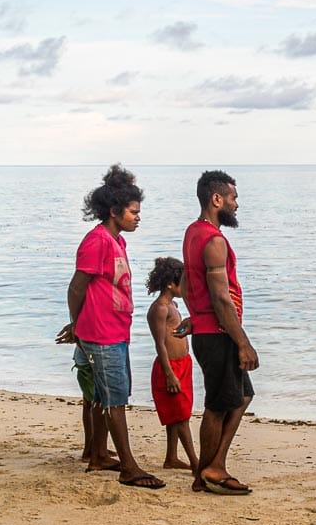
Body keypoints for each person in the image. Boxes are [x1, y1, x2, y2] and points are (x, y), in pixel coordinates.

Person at [63, 164, 164, 488]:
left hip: (115, 331)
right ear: (114, 211)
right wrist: (76, 325)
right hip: (101, 334)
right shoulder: (97, 241)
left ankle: (98, 454)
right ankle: (129, 468)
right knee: (115, 399)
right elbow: (77, 286)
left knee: (106, 396)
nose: (138, 217)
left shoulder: (117, 241)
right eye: (133, 212)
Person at [182, 170, 257, 496]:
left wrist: (193, 315)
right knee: (218, 404)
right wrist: (243, 343)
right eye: (233, 198)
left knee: (241, 396)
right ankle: (214, 467)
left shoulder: (193, 232)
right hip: (218, 332)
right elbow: (221, 297)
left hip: (208, 328)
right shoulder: (214, 241)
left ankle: (206, 471)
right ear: (216, 199)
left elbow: (186, 282)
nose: (236, 204)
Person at [144, 257, 198, 472]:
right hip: (170, 367)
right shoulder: (160, 309)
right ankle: (196, 463)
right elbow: (160, 344)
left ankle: (172, 457)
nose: (185, 287)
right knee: (181, 417)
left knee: (179, 413)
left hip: (183, 363)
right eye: (182, 282)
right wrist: (169, 374)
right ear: (170, 284)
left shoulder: (173, 305)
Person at [54, 325, 111, 468]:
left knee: (92, 403)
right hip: (88, 354)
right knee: (96, 404)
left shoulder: (82, 305)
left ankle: (95, 446)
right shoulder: (85, 305)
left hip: (85, 354)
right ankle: (91, 449)